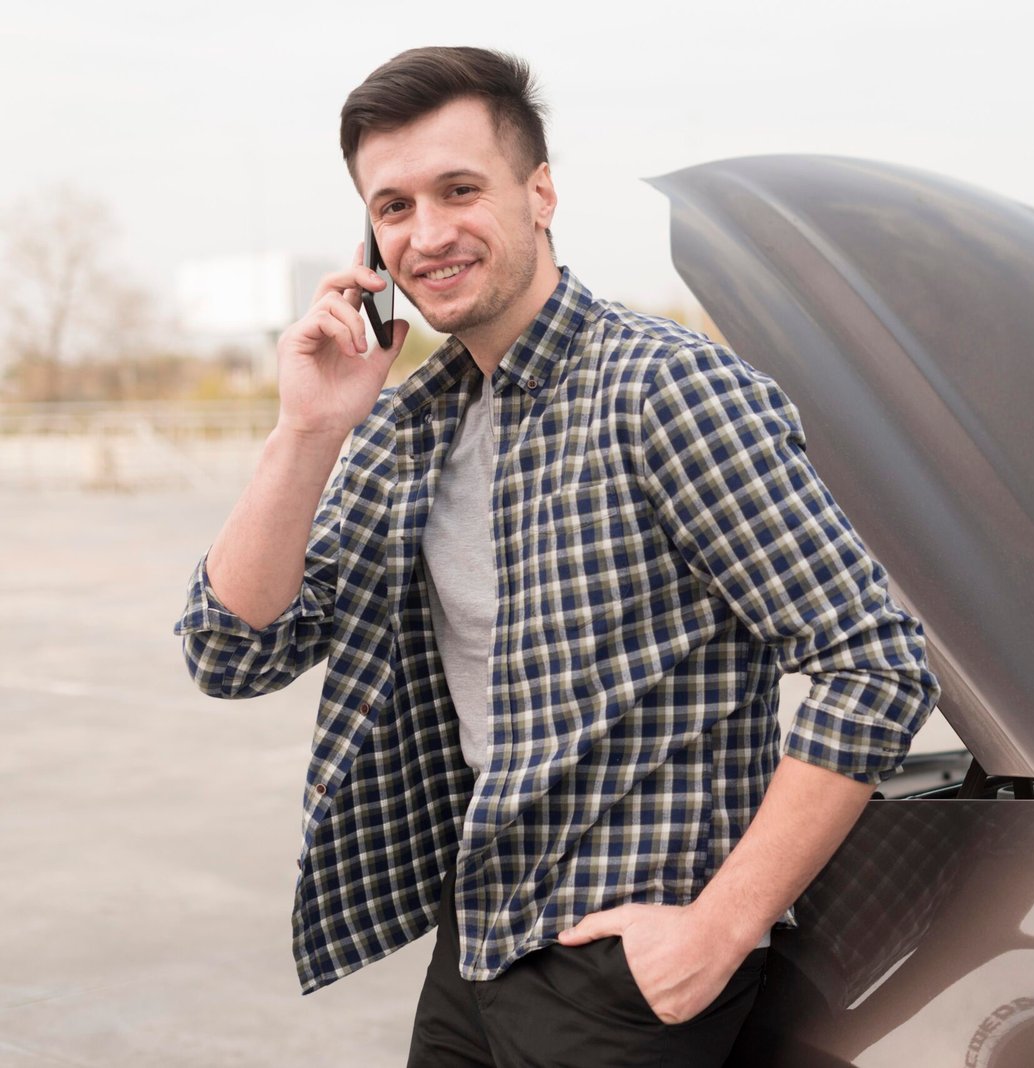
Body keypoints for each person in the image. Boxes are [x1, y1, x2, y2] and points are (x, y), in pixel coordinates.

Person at [175, 46, 937, 1067]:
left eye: (459, 190)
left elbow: (875, 663)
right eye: (393, 206)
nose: (428, 234)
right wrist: (306, 431)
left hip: (619, 962)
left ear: (540, 193)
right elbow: (233, 652)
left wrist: (715, 930)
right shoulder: (409, 427)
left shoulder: (666, 390)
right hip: (478, 933)